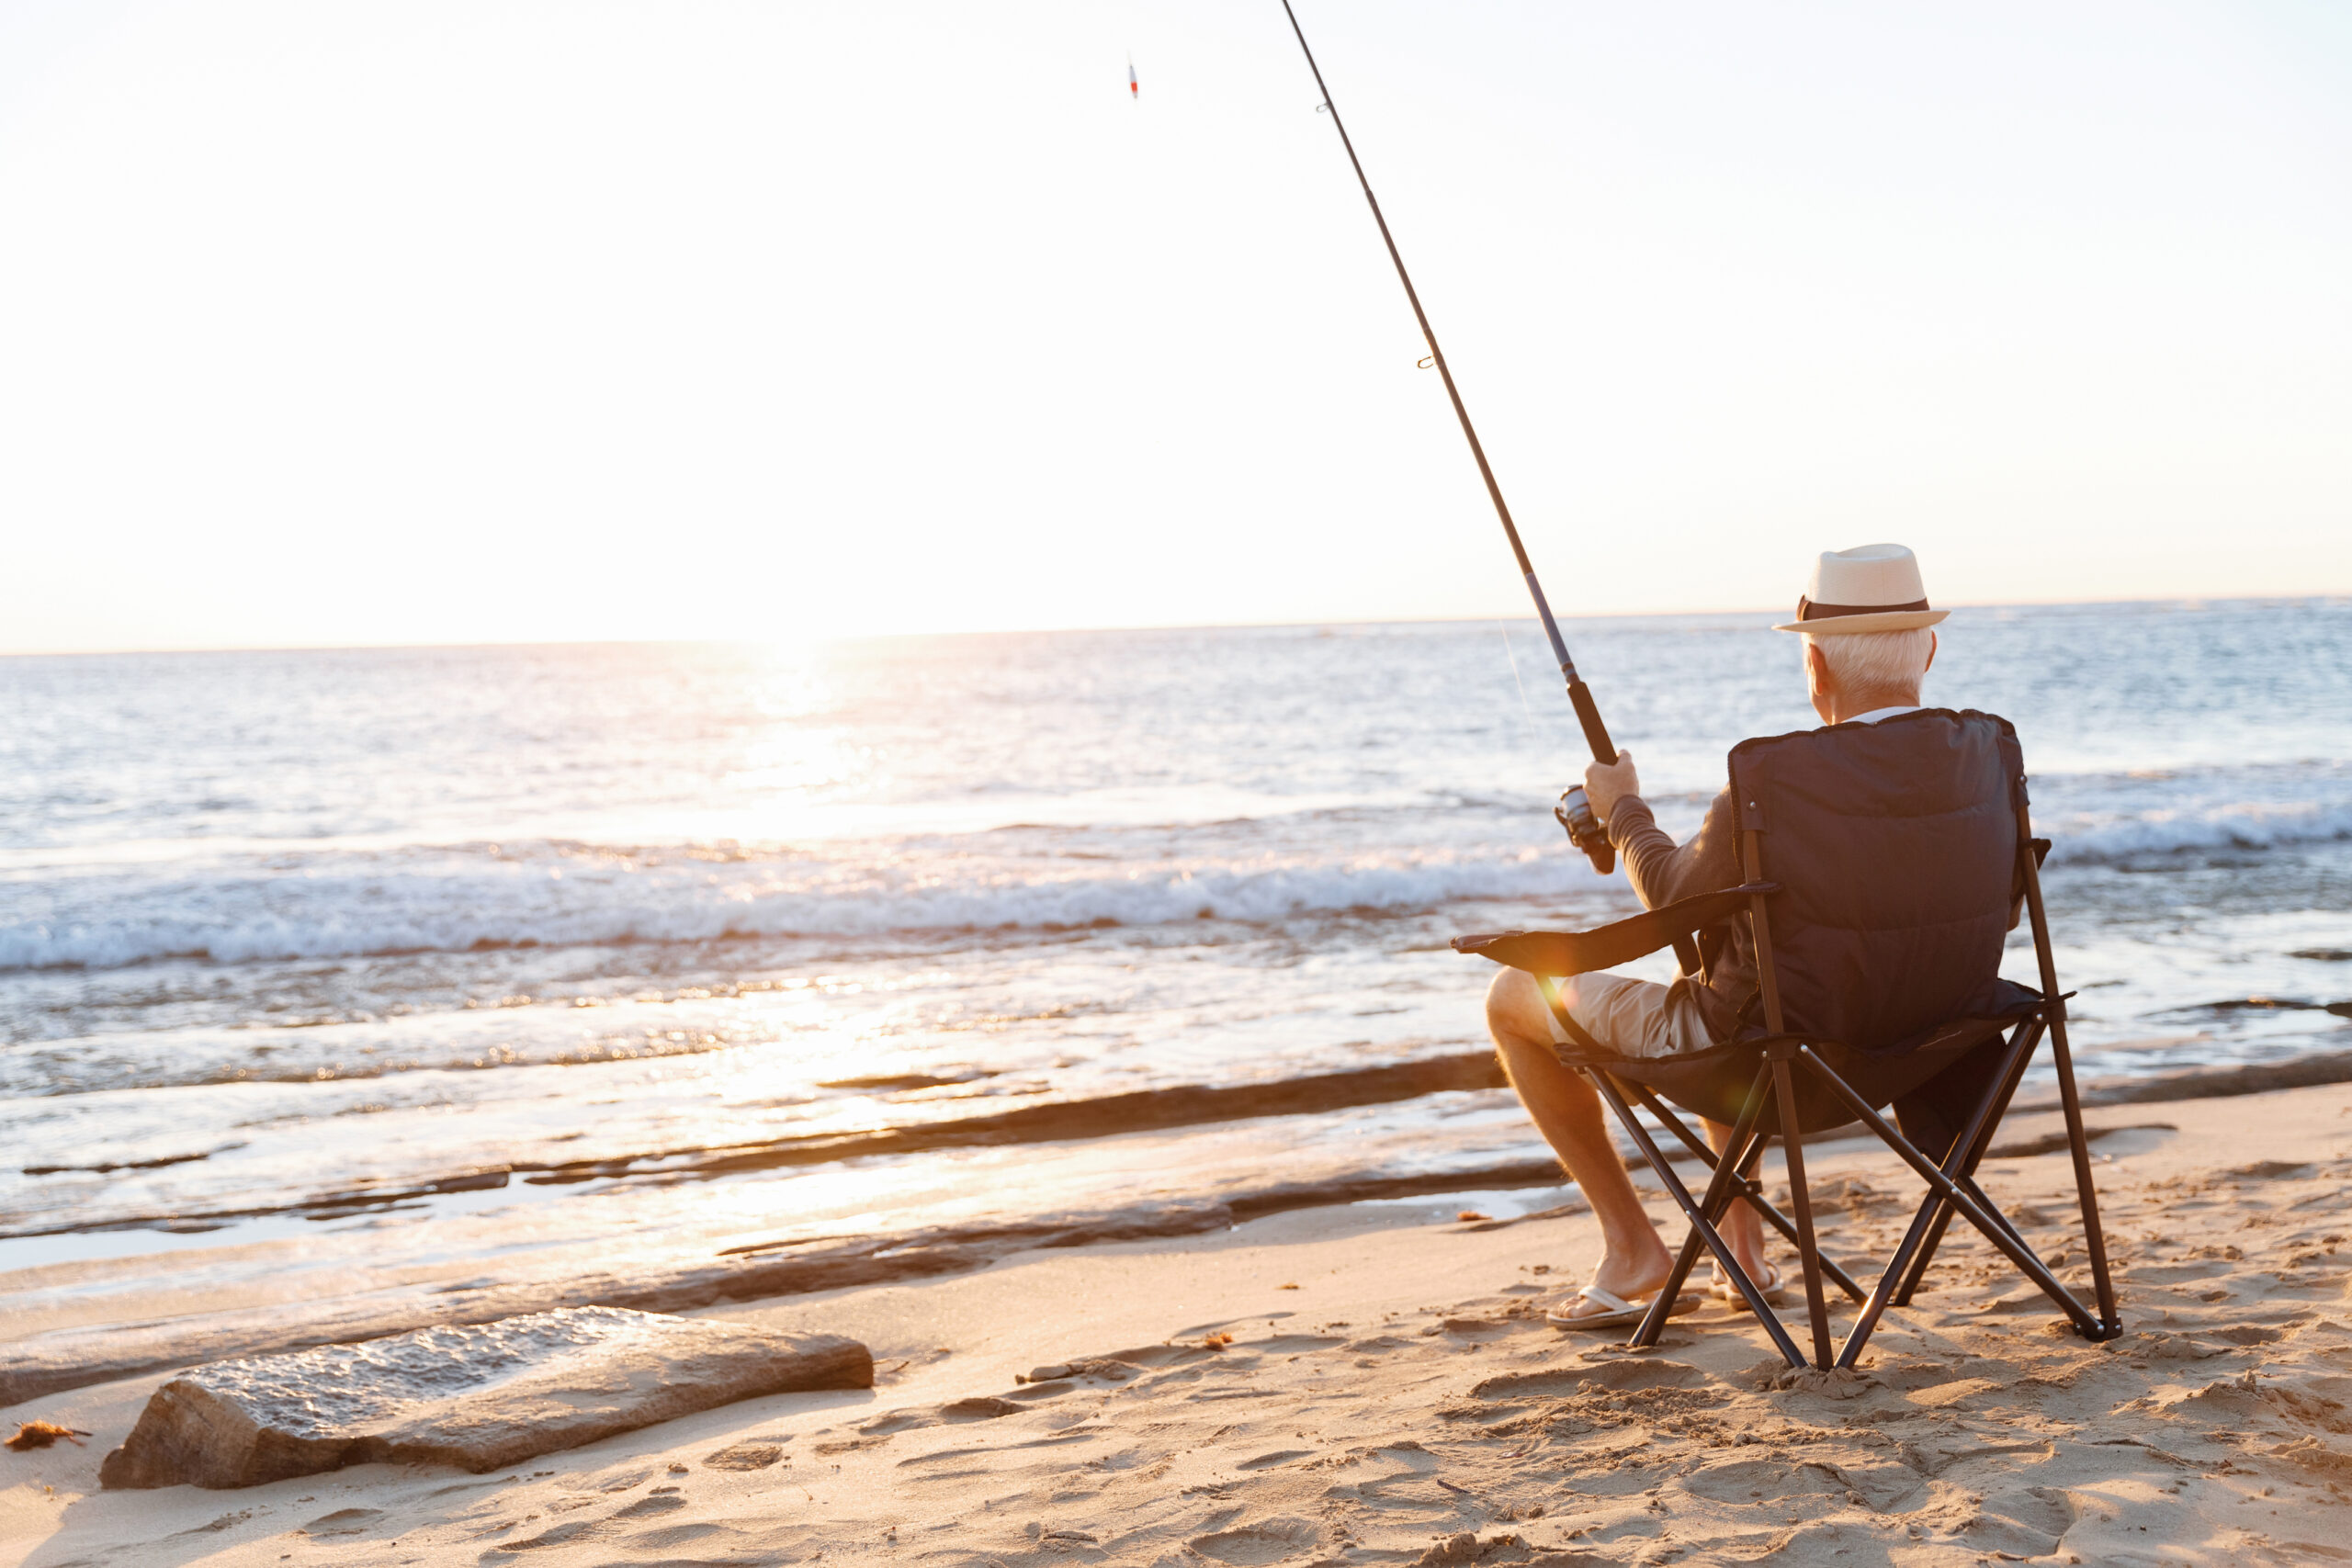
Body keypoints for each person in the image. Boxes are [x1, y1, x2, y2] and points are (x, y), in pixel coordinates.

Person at [1484, 543, 1952, 1328]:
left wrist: (1622, 808)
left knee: (1510, 997)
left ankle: (1633, 1246)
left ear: (1817, 670)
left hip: (1782, 1063)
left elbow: (1669, 893)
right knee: (1737, 962)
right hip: (1920, 1053)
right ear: (1928, 651)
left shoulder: (1772, 784)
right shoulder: (1985, 763)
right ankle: (1743, 1242)